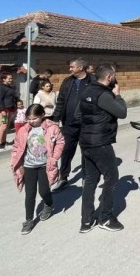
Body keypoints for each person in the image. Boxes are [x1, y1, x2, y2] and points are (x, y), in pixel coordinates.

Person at [78, 64, 127, 232]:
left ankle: (86, 221)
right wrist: (118, 95)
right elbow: (122, 113)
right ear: (109, 77)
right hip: (100, 142)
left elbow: (80, 114)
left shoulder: (86, 90)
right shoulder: (104, 95)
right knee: (112, 177)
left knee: (90, 180)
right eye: (113, 76)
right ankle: (105, 217)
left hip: (86, 140)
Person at [10, 104, 65, 235]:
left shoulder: (52, 128)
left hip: (45, 165)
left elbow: (60, 142)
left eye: (34, 118)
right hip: (29, 166)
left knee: (44, 191)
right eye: (28, 118)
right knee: (30, 194)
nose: (31, 121)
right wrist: (14, 160)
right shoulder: (23, 130)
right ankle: (29, 220)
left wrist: (54, 157)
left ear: (42, 115)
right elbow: (17, 146)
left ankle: (48, 204)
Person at [51, 57, 94, 190]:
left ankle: (86, 177)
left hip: (86, 124)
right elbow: (61, 101)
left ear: (80, 68)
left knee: (86, 151)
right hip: (69, 123)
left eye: (72, 67)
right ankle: (63, 177)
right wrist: (56, 118)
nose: (69, 69)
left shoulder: (93, 81)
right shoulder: (68, 81)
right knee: (66, 151)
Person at [0, 72, 17, 149]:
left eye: (11, 78)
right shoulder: (0, 87)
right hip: (3, 110)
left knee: (6, 126)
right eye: (9, 78)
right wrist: (2, 110)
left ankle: (3, 141)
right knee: (3, 126)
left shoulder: (10, 87)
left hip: (9, 109)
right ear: (4, 79)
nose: (11, 80)